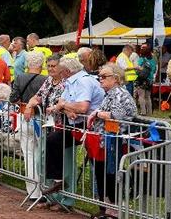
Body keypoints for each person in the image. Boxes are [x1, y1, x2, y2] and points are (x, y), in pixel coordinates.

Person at [42, 56, 104, 212]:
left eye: (61, 71)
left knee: (98, 165)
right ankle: (58, 180)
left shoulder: (83, 81)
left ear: (67, 71)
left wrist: (65, 106)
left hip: (93, 127)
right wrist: (67, 108)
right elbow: (60, 105)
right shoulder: (71, 81)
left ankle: (104, 206)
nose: (59, 74)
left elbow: (82, 107)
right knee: (53, 141)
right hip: (75, 125)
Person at [88, 64, 137, 217]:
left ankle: (113, 210)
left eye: (104, 76)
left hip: (114, 142)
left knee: (110, 176)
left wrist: (97, 113)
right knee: (102, 175)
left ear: (115, 79)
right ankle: (106, 208)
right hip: (105, 141)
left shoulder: (120, 93)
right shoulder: (109, 93)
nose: (100, 79)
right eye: (99, 76)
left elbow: (117, 115)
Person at [24, 54, 64, 204]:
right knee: (41, 159)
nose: (51, 69)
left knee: (60, 162)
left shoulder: (66, 83)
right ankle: (48, 195)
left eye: (54, 66)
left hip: (61, 126)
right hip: (46, 125)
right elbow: (37, 96)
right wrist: (29, 105)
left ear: (61, 67)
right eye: (49, 66)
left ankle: (60, 199)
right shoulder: (48, 81)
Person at [11, 51, 47, 200]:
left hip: (25, 117)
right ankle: (44, 188)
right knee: (42, 154)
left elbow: (13, 98)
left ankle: (33, 190)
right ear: (42, 64)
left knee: (29, 155)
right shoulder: (46, 80)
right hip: (42, 118)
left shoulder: (19, 77)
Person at [135, 44, 156, 116]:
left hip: (141, 79)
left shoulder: (141, 59)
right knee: (148, 97)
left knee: (141, 96)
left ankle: (143, 112)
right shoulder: (153, 60)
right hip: (150, 79)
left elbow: (138, 69)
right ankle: (149, 112)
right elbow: (154, 70)